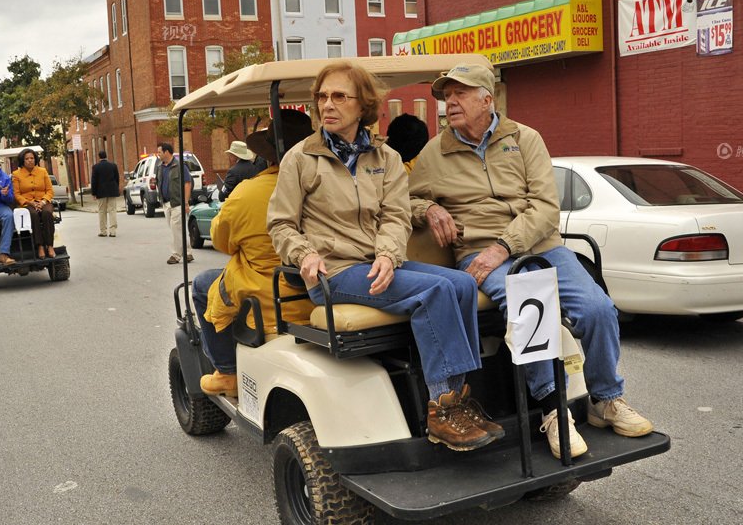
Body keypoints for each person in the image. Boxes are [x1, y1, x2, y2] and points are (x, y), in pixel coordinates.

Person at [408, 63, 653, 460]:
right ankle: (554, 410)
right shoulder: (435, 152)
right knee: (529, 306)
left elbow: (544, 207)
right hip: (479, 252)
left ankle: (605, 398)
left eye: (460, 93)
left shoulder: (525, 139)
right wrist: (429, 209)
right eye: (446, 96)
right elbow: (407, 200)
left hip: (539, 245)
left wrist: (504, 246)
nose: (450, 102)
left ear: (487, 100)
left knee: (598, 309)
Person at [268, 61, 503, 452]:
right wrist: (304, 254)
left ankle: (459, 399)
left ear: (362, 105)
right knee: (435, 291)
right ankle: (441, 408)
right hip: (335, 271)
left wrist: (389, 255)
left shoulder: (385, 158)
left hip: (380, 265)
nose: (327, 105)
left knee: (462, 283)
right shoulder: (301, 159)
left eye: (339, 96)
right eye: (322, 97)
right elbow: (280, 224)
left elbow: (396, 216)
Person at [193, 110, 314, 397]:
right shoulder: (326, 184)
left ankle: (227, 372)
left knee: (202, 285)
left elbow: (222, 241)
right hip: (319, 291)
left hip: (272, 297)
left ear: (268, 156)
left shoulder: (248, 192)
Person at [11, 148, 55, 259]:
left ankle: (50, 245)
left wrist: (43, 201)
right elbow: (16, 194)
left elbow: (50, 190)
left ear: (35, 159)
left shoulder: (43, 171)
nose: (30, 160)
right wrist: (29, 203)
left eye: (32, 158)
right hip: (26, 204)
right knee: (33, 215)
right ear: (22, 160)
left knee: (47, 213)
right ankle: (40, 246)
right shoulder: (16, 174)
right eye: (27, 159)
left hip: (43, 201)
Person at [157, 142, 193, 264]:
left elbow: (187, 183)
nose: (158, 154)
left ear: (166, 152)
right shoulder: (160, 167)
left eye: (159, 152)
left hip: (177, 203)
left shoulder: (180, 166)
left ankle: (176, 255)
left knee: (175, 229)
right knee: (177, 230)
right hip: (166, 203)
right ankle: (188, 253)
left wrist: (186, 202)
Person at [90, 150, 120, 238]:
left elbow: (94, 181)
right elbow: (117, 178)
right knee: (112, 210)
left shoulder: (96, 167)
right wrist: (116, 188)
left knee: (102, 211)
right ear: (106, 156)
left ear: (99, 157)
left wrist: (94, 193)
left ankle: (103, 231)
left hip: (100, 192)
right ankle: (113, 231)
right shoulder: (113, 166)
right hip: (112, 191)